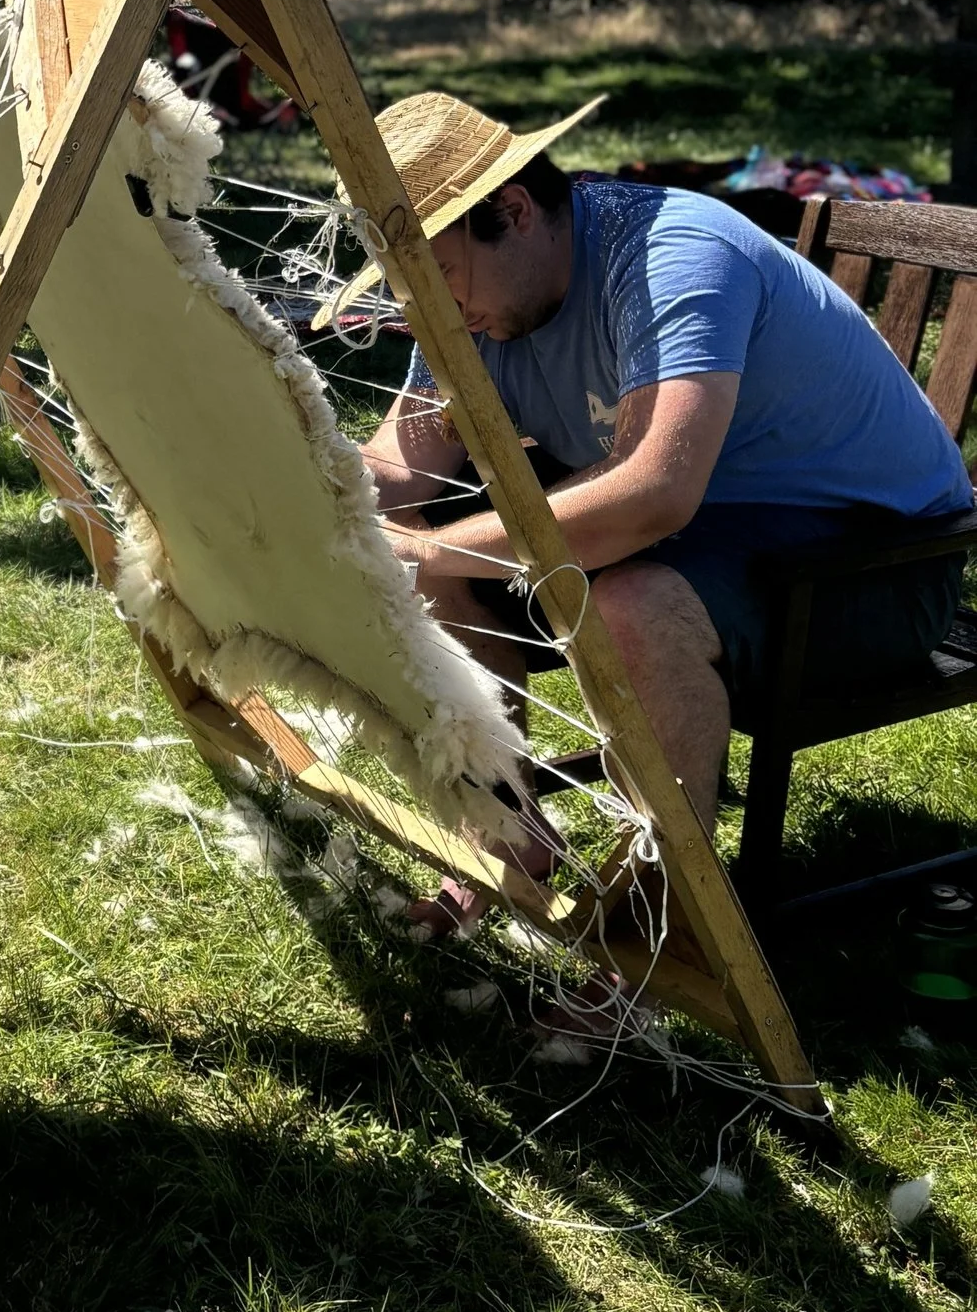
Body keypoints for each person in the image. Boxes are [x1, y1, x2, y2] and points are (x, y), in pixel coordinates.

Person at [347, 89, 972, 927]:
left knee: (628, 604)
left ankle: (658, 921)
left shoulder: (671, 256)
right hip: (720, 535)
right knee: (430, 562)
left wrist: (428, 548)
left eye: (438, 274)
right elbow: (396, 474)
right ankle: (508, 839)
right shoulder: (473, 304)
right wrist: (284, 498)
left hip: (881, 564)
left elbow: (654, 492)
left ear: (515, 211)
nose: (429, 307)